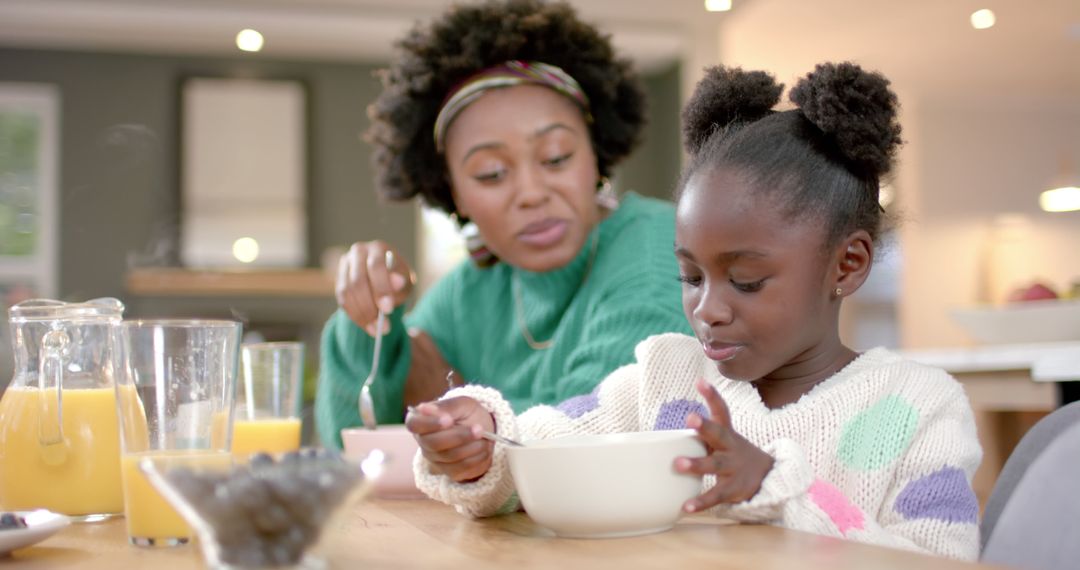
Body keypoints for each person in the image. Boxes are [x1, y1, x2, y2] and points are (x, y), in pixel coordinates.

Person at [406, 62, 983, 561]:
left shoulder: (915, 407)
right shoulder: (666, 380)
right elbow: (542, 450)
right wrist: (479, 443)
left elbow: (941, 560)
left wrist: (777, 490)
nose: (707, 309)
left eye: (746, 280)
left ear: (847, 265)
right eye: (690, 276)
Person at [315, 0, 691, 449]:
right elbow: (352, 443)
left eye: (556, 157)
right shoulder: (471, 289)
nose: (531, 192)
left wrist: (444, 399)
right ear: (452, 191)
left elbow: (592, 441)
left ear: (596, 154)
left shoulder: (662, 250)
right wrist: (371, 318)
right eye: (491, 173)